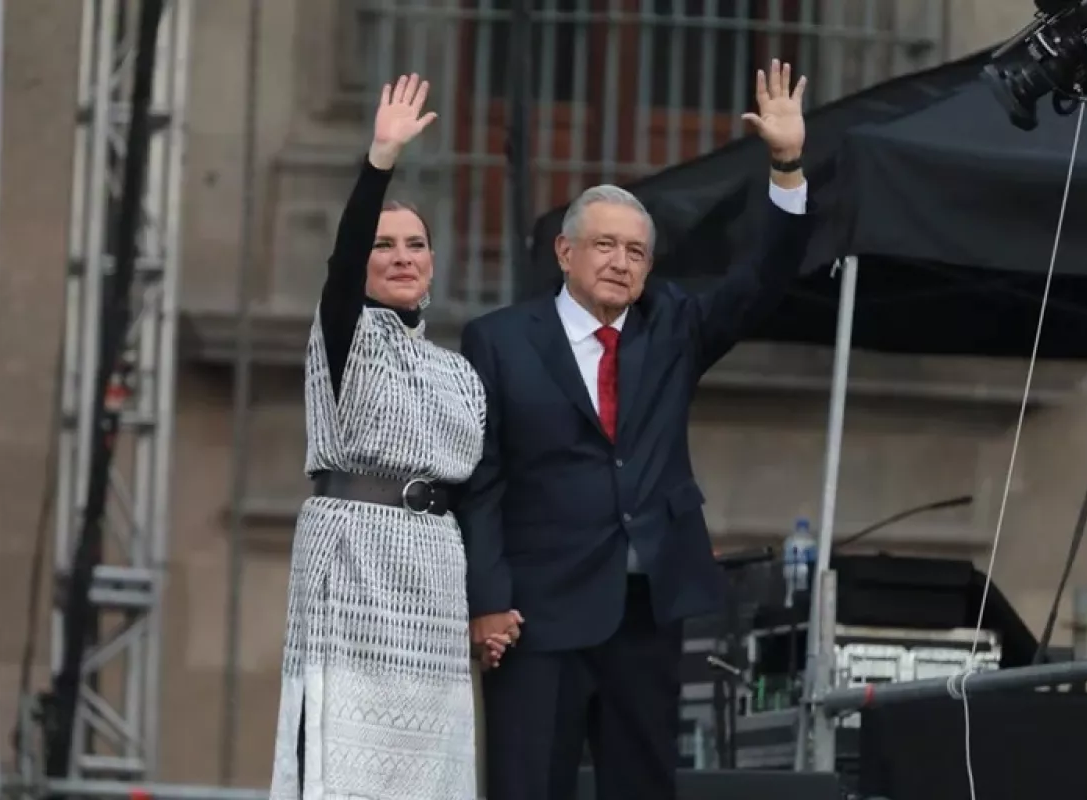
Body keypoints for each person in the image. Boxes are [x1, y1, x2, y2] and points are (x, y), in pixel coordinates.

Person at [457, 60, 813, 800]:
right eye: (605, 246)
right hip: (538, 613)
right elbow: (483, 478)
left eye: (637, 252)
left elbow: (763, 282)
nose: (621, 264)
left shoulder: (674, 326)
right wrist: (486, 599)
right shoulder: (499, 340)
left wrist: (785, 168)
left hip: (645, 609)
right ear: (565, 252)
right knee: (526, 785)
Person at [267, 74, 517, 800]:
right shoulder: (344, 335)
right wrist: (380, 160)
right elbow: (342, 266)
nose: (402, 256)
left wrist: (488, 601)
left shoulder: (460, 371)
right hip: (352, 552)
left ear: (433, 263)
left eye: (416, 245)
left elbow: (482, 491)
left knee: (425, 762)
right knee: (343, 758)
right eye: (385, 245)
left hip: (434, 567)